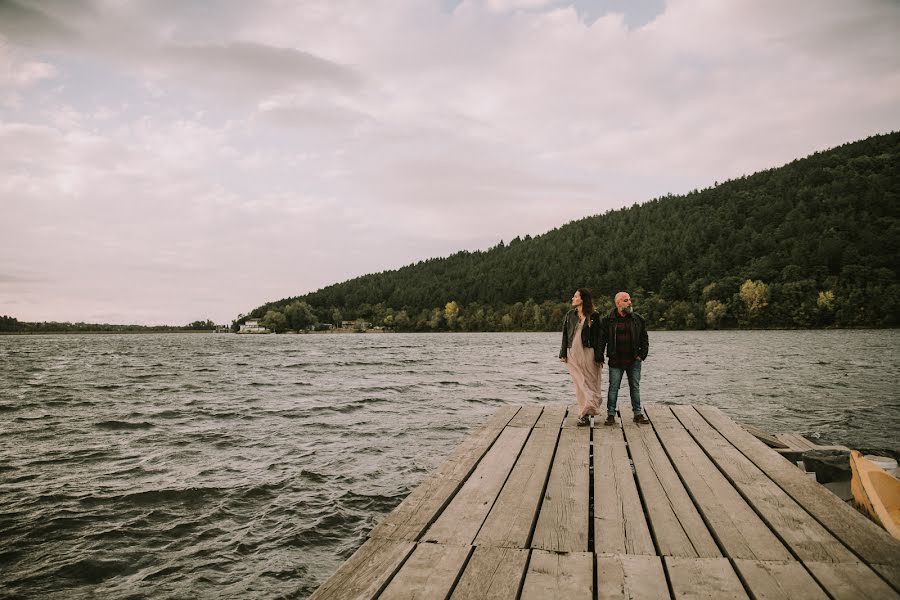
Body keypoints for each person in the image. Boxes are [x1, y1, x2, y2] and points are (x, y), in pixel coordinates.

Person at [597, 291, 650, 425]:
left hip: (634, 360)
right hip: (615, 360)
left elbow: (645, 338)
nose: (629, 302)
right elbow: (602, 340)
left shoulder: (638, 319)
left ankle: (637, 414)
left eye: (629, 300)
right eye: (626, 300)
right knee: (613, 388)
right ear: (618, 303)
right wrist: (599, 356)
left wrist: (641, 355)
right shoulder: (608, 319)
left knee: (635, 387)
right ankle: (610, 415)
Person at [559, 288, 603, 426]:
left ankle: (590, 407)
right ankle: (583, 413)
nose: (573, 298)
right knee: (579, 383)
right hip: (573, 353)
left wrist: (600, 356)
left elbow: (599, 337)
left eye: (575, 296)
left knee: (591, 381)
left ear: (582, 299)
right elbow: (565, 335)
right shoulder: (570, 315)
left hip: (589, 352)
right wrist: (563, 353)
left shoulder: (594, 315)